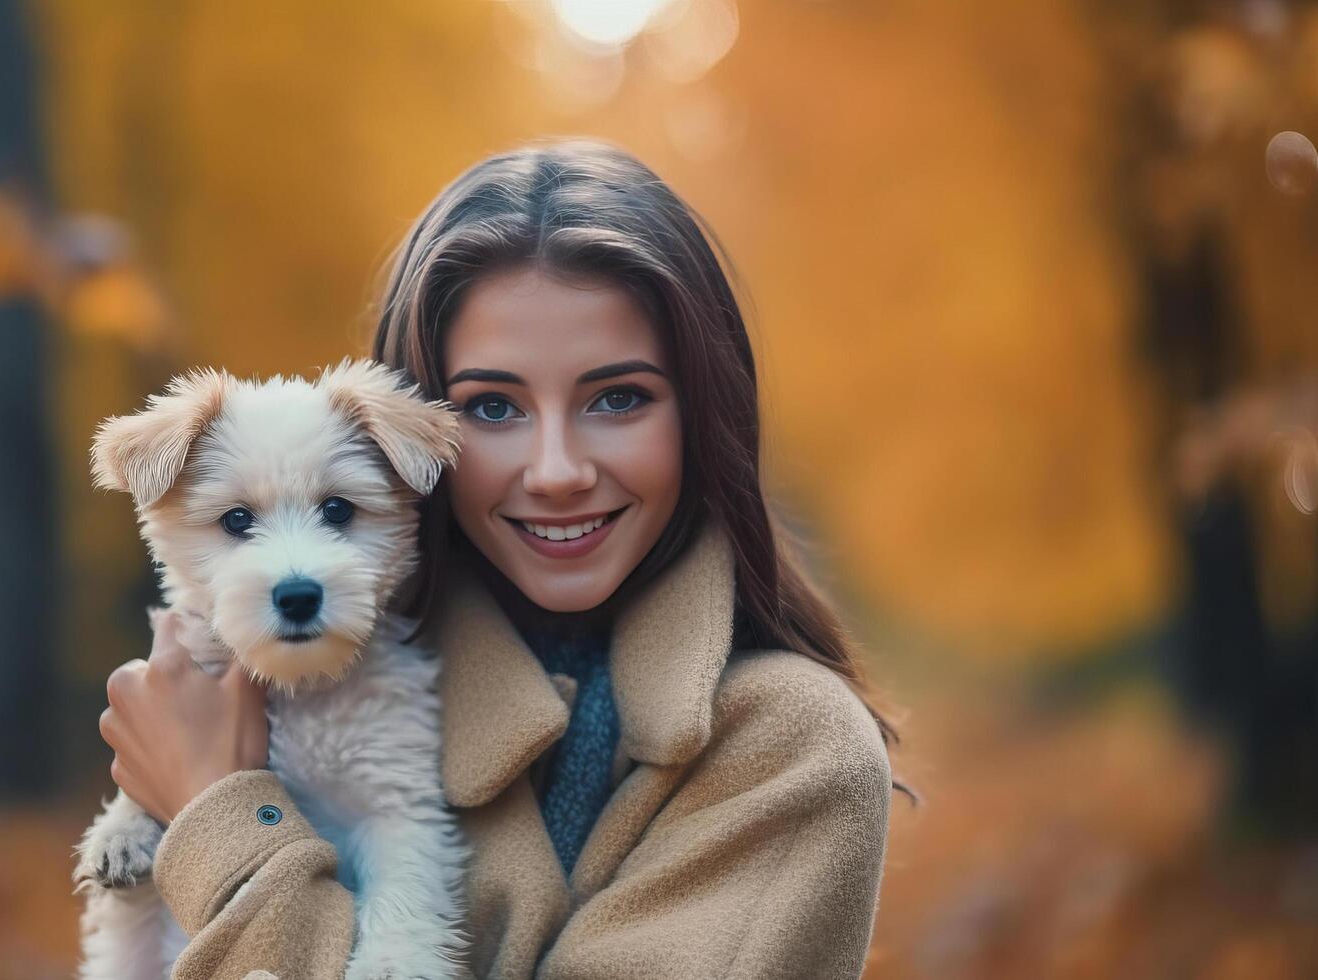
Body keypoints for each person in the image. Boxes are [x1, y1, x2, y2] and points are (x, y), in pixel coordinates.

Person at [98, 138, 903, 979]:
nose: (557, 471)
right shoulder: (306, 675)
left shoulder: (793, 748)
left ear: (704, 412)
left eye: (617, 398)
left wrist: (218, 817)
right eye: (491, 407)